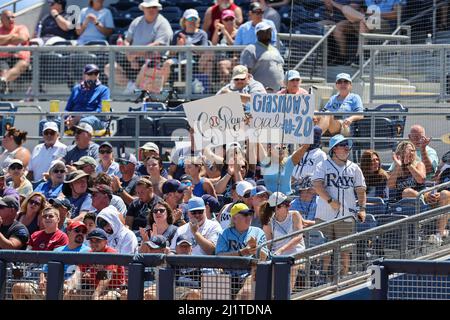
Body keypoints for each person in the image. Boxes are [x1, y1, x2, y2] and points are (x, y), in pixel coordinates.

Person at [312, 134, 366, 276]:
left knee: (345, 251)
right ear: (334, 149)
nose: (347, 148)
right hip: (325, 214)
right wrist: (330, 200)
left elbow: (361, 190)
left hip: (347, 215)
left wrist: (362, 208)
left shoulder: (354, 168)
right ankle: (322, 278)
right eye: (343, 145)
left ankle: (343, 277)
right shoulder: (322, 165)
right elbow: (317, 186)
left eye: (347, 145)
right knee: (325, 250)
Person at [106, 0, 173, 92]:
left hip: (155, 60)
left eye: (154, 7)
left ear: (158, 9)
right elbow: (127, 41)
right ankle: (132, 87)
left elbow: (157, 45)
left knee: (146, 67)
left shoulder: (163, 23)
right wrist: (131, 56)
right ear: (143, 8)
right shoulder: (136, 21)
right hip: (133, 58)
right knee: (109, 67)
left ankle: (135, 90)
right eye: (149, 7)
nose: (151, 9)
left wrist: (135, 54)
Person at [215, 202, 267, 299]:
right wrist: (241, 253)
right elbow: (219, 256)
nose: (248, 217)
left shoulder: (258, 232)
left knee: (246, 293)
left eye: (250, 214)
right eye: (244, 214)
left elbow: (265, 257)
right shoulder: (225, 233)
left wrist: (256, 249)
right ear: (234, 218)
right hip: (228, 275)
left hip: (250, 273)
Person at [78, 228, 126, 300]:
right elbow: (78, 272)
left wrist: (96, 295)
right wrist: (70, 284)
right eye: (91, 241)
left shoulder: (111, 253)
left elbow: (106, 277)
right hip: (94, 288)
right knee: (71, 293)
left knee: (108, 298)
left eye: (98, 241)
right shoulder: (89, 253)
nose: (94, 244)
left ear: (105, 242)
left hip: (113, 289)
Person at [64, 64, 111, 131]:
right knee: (50, 123)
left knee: (83, 123)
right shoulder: (76, 89)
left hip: (94, 119)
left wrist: (80, 117)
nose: (93, 76)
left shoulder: (104, 90)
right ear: (84, 75)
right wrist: (67, 118)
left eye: (96, 73)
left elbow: (101, 111)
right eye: (90, 73)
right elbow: (68, 109)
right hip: (73, 119)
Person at [240, 20, 284, 92]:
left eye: (269, 31)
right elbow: (245, 73)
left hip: (278, 92)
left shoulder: (275, 49)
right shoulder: (251, 49)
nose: (268, 33)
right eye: (264, 31)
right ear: (257, 34)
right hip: (260, 93)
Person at [0, 10, 30, 94]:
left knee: (23, 65)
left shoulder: (21, 28)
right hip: (2, 59)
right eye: (8, 18)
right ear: (2, 20)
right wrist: (12, 37)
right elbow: (17, 38)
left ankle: (3, 80)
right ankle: (5, 89)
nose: (11, 19)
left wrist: (3, 40)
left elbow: (22, 38)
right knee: (3, 70)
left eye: (12, 17)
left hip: (20, 58)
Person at [291, 127, 327, 193]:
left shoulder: (320, 154)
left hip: (309, 191)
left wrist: (302, 180)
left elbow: (320, 176)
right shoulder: (297, 152)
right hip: (292, 188)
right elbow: (290, 170)